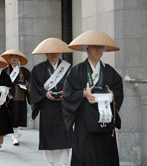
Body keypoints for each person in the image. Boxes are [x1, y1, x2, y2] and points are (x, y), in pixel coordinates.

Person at [62, 30, 124, 166]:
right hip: (85, 120)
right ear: (86, 49)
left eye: (101, 47)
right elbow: (67, 94)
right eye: (94, 47)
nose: (98, 50)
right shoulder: (76, 70)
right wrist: (83, 94)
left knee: (105, 155)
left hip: (105, 120)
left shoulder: (109, 70)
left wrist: (113, 95)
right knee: (85, 155)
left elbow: (118, 90)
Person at [30, 38, 73, 166]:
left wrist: (64, 93)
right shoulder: (38, 69)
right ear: (45, 53)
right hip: (47, 107)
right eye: (50, 52)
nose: (53, 54)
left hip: (64, 107)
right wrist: (44, 93)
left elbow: (74, 85)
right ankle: (51, 162)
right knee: (49, 135)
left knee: (64, 134)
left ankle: (64, 162)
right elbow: (33, 87)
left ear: (60, 52)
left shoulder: (69, 68)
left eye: (56, 51)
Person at [1, 49, 31, 146]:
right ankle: (14, 134)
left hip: (20, 97)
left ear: (19, 59)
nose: (14, 59)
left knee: (18, 117)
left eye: (16, 57)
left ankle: (16, 135)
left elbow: (30, 83)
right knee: (10, 117)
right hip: (8, 98)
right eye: (12, 57)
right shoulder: (5, 71)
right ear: (9, 59)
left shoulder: (24, 71)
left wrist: (26, 84)